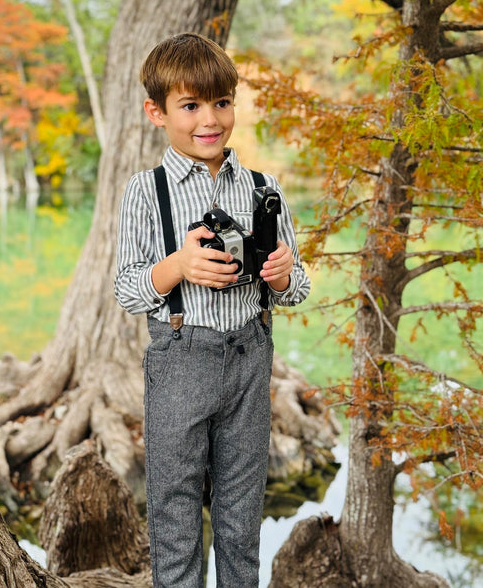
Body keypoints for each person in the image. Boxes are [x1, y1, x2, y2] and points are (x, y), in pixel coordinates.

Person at [115, 33, 310, 588]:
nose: (211, 119)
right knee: (175, 516)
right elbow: (128, 288)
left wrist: (284, 274)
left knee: (241, 517)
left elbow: (298, 288)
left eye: (222, 102)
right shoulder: (144, 192)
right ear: (157, 112)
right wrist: (179, 266)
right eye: (191, 105)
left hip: (250, 355)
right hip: (180, 357)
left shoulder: (263, 188)